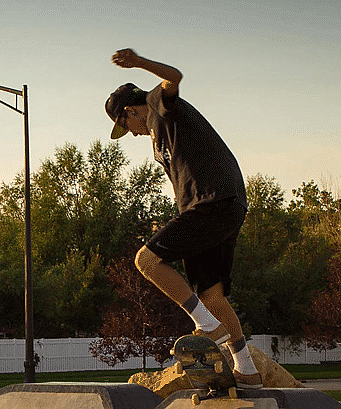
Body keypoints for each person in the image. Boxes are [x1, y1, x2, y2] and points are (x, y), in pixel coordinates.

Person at [105, 47, 261, 388]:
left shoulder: (162, 108)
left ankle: (205, 325)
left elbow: (174, 78)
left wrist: (139, 62)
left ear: (130, 111)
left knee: (146, 261)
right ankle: (247, 370)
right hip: (217, 208)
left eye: (126, 126)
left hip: (214, 202)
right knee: (212, 295)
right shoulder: (158, 140)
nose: (131, 133)